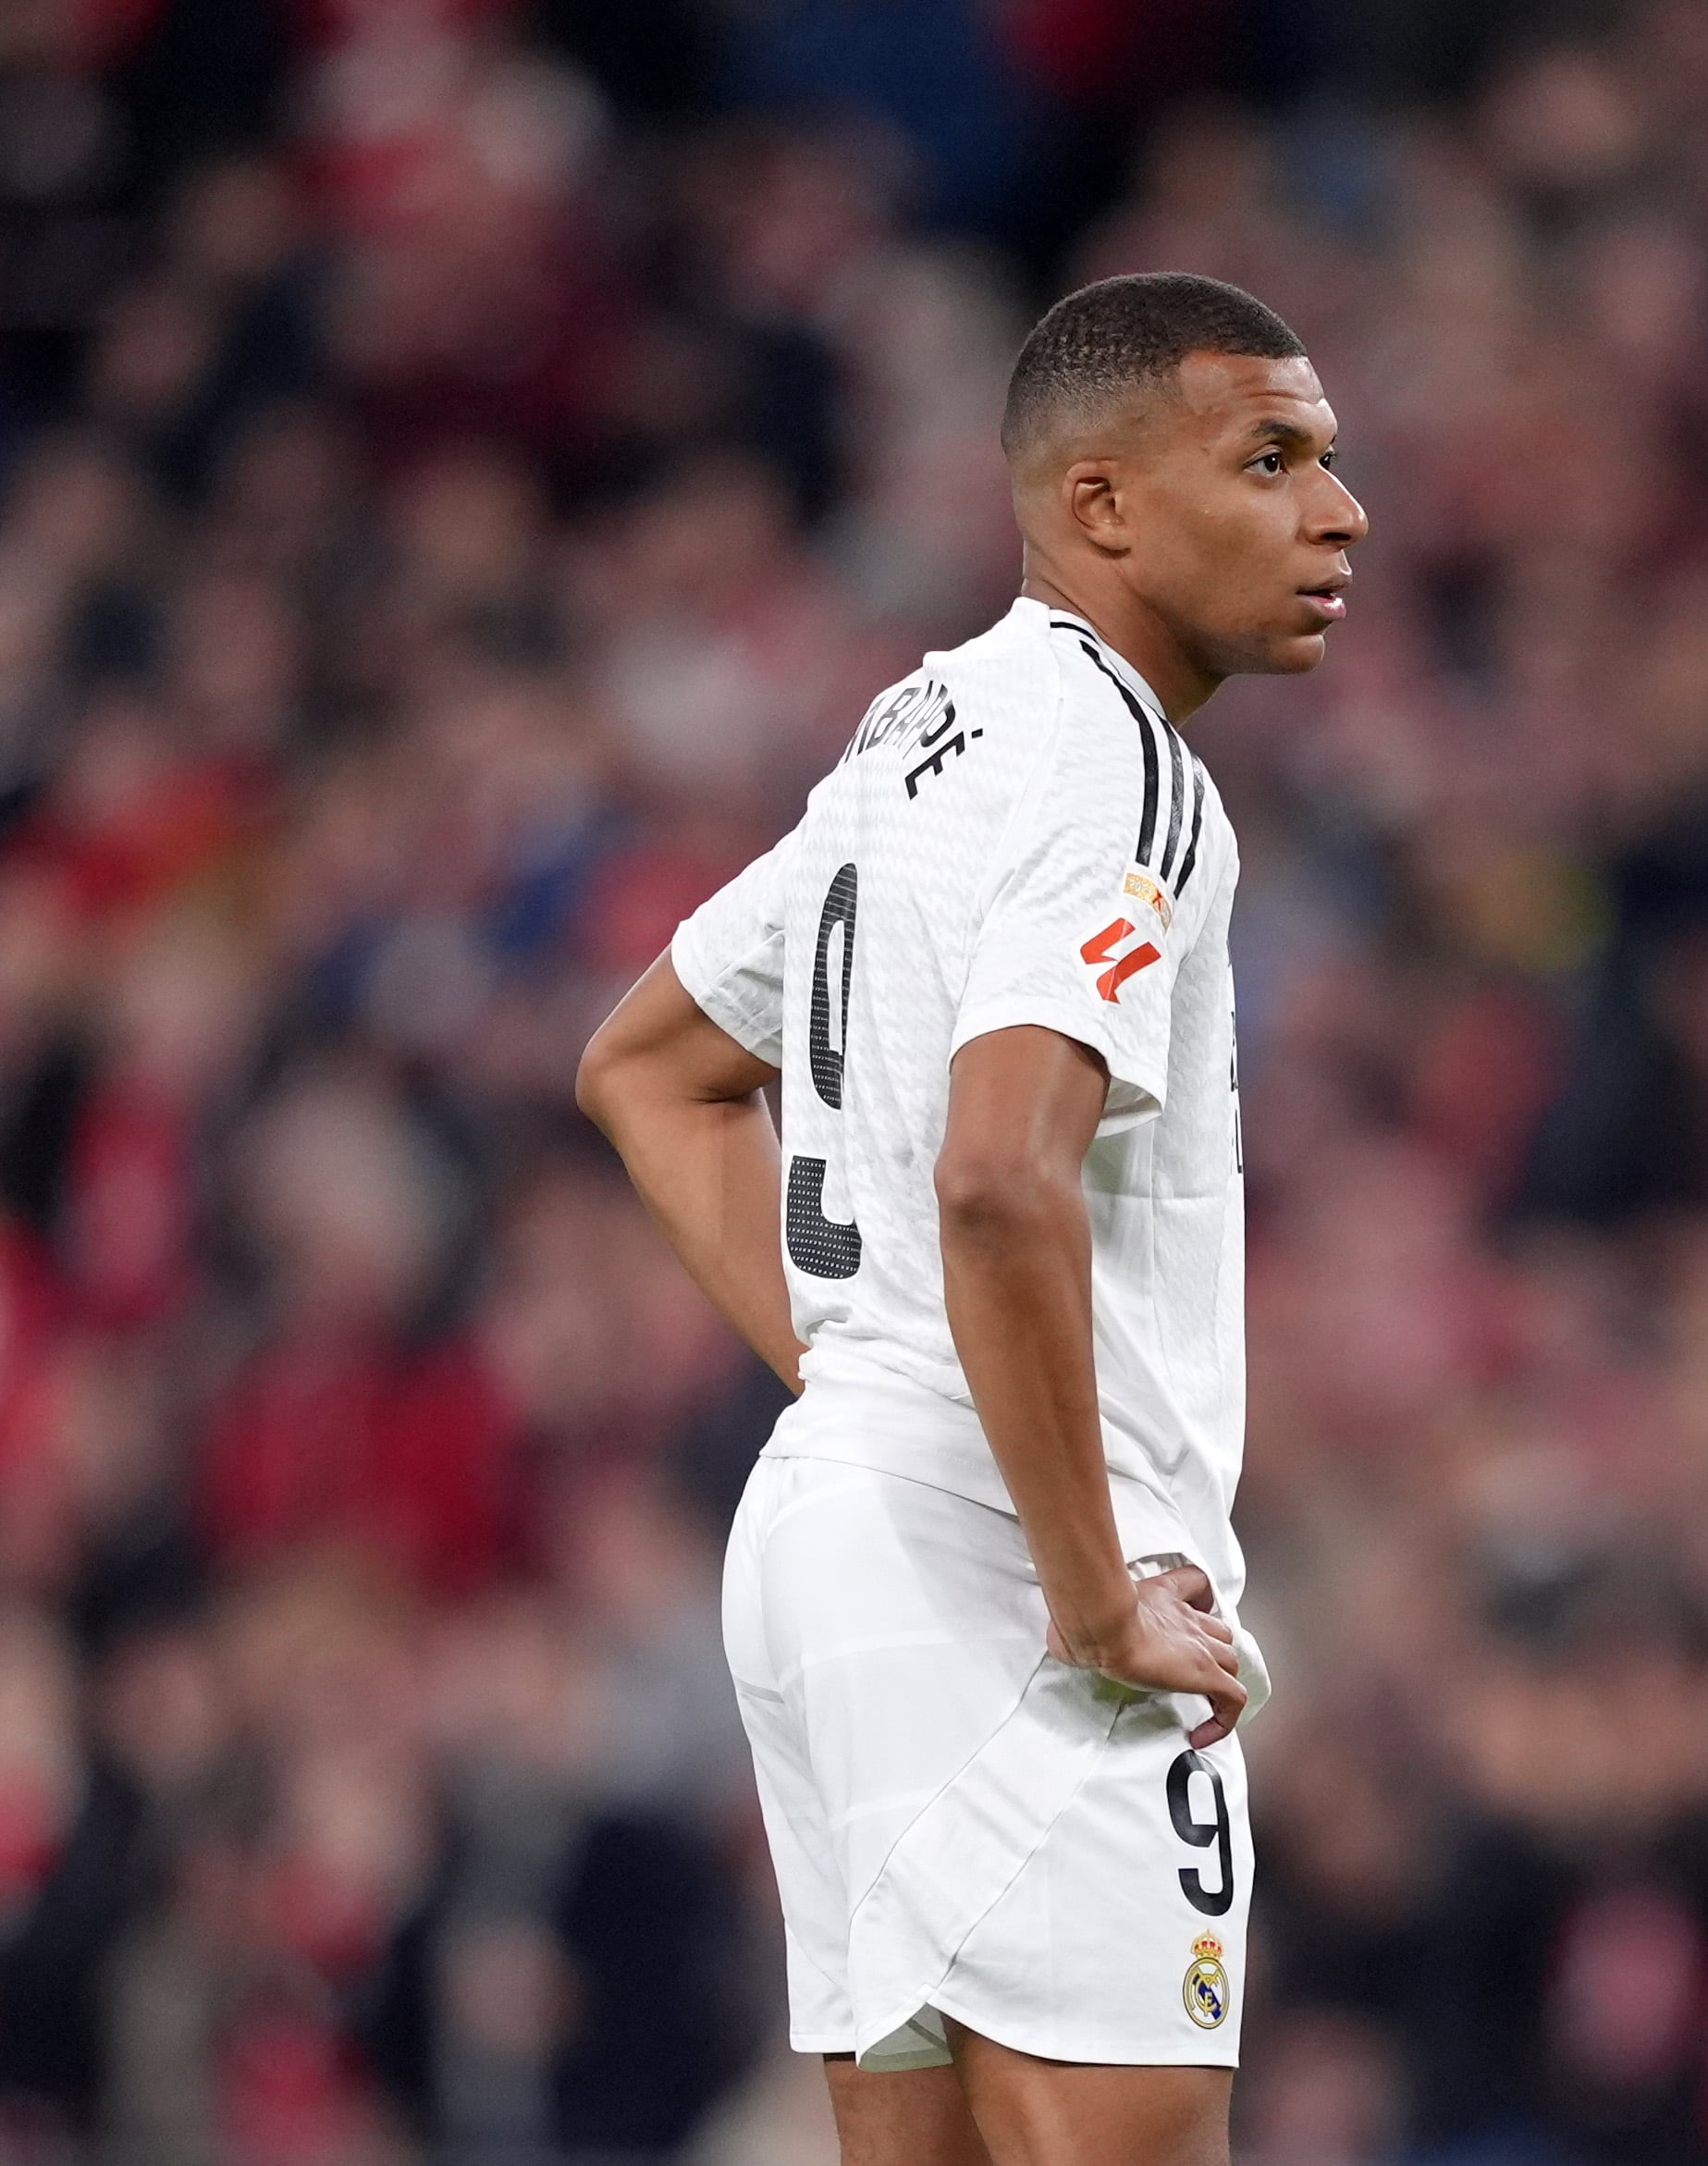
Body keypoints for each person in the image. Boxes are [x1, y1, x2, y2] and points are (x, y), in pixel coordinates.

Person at [575, 272, 1365, 2166]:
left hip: (834, 1533)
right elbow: (1000, 1168)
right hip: (1009, 1565)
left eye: (1327, 463)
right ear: (1099, 506)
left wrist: (853, 1371)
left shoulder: (912, 737)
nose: (1337, 514)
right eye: (1268, 461)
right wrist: (1093, 1591)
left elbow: (648, 1064)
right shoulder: (1123, 770)